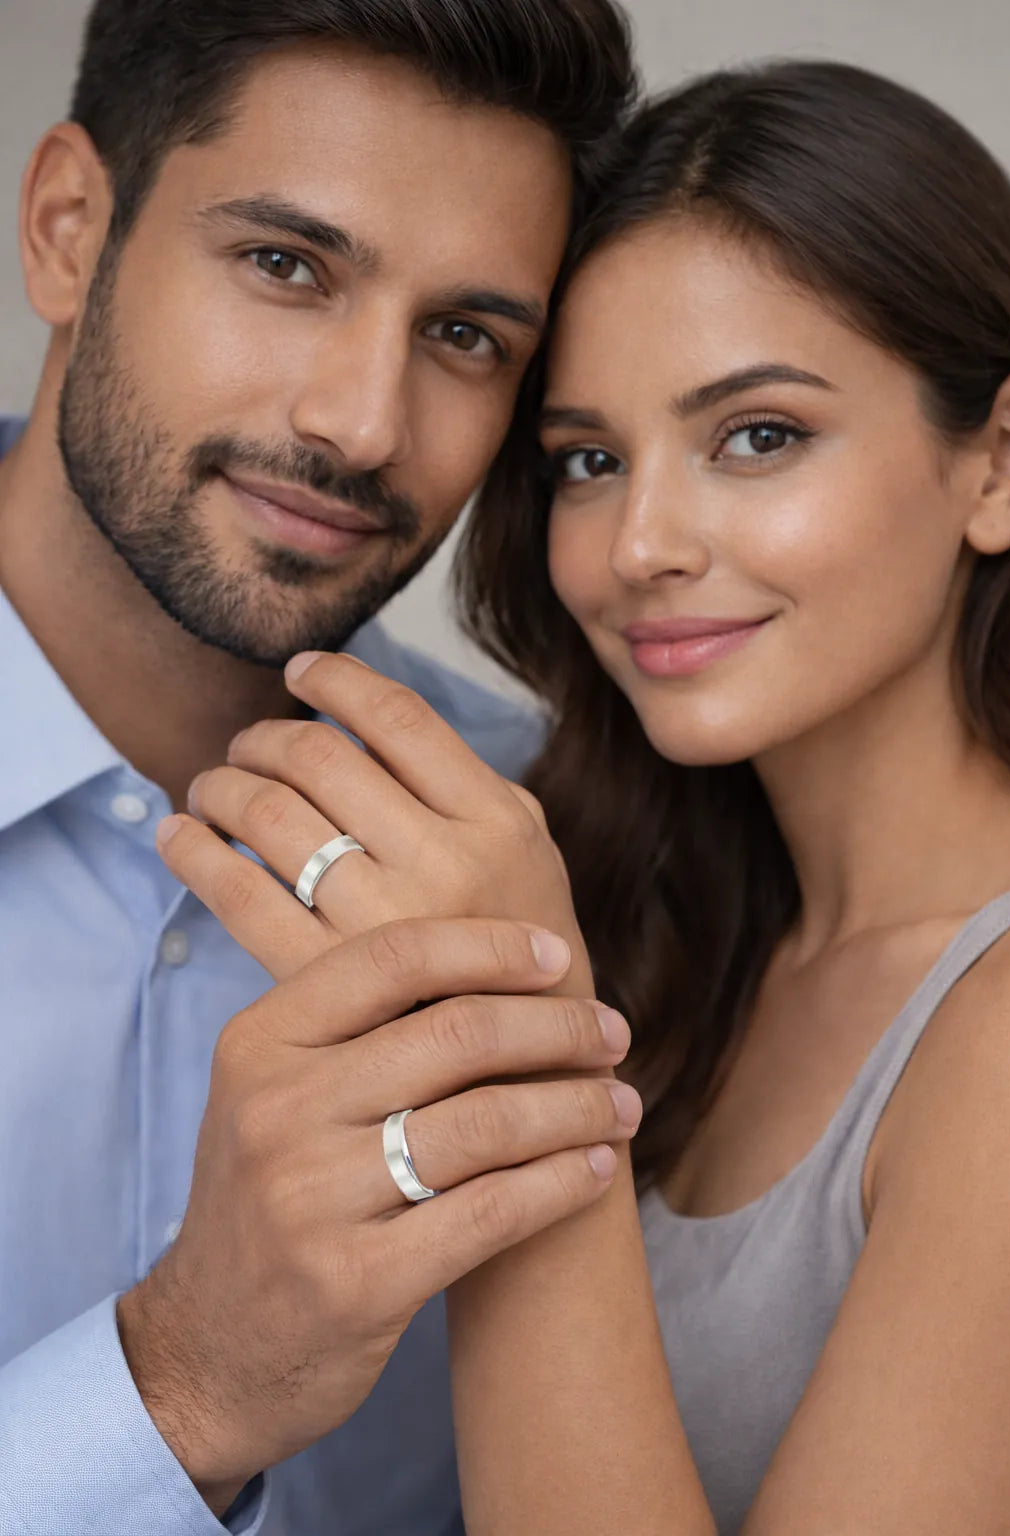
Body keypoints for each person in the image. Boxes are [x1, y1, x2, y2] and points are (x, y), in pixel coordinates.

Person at [174, 60, 1010, 1532]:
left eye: (759, 435)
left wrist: (508, 1081)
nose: (639, 545)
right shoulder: (690, 931)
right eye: (587, 460)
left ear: (1004, 463)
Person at [0, 2, 637, 1532]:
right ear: (69, 228)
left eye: (466, 336)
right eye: (287, 266)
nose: (360, 425)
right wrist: (185, 1382)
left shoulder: (572, 847)